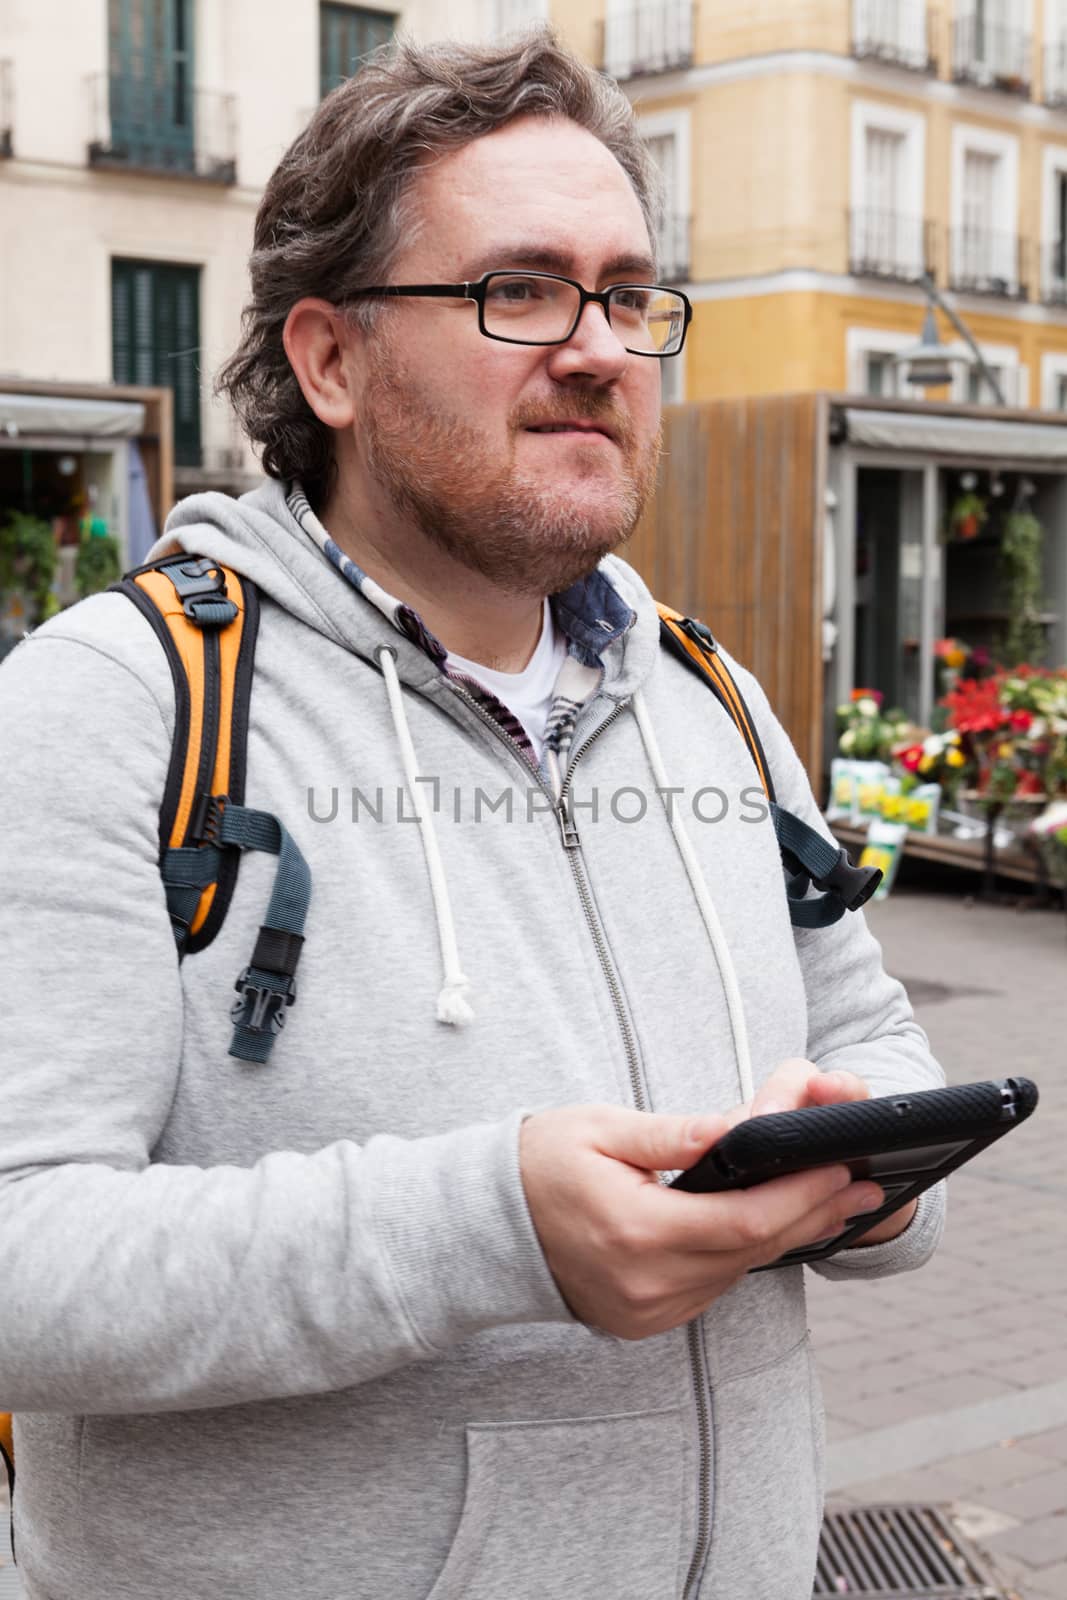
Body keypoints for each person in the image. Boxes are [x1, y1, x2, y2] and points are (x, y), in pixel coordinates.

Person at [0, 29, 945, 1600]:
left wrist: (866, 1172)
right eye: (519, 290)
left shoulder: (710, 694)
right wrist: (493, 1222)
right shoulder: (117, 704)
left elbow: (873, 1033)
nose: (598, 350)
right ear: (332, 362)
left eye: (630, 296)